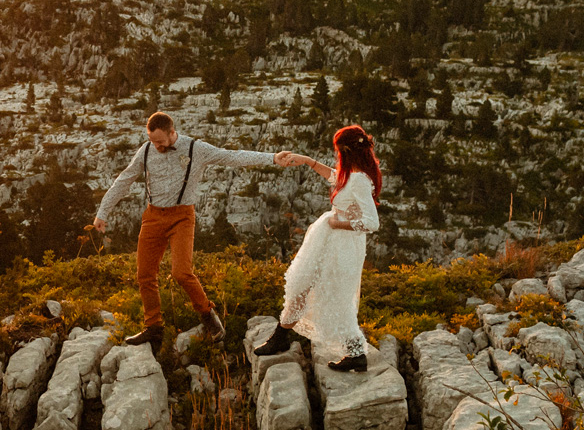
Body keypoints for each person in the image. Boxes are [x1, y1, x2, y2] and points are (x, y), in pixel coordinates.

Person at [94, 111, 285, 347]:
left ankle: (208, 315)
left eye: (160, 141)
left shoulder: (196, 149)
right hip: (153, 216)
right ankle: (153, 328)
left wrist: (272, 158)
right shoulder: (146, 151)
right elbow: (124, 180)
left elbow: (232, 157)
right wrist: (103, 212)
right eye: (152, 141)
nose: (156, 146)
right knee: (145, 275)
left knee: (181, 272)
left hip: (182, 216)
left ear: (172, 133)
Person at [267, 124, 382, 372]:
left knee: (335, 296)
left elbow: (372, 222)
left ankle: (355, 352)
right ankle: (280, 335)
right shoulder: (352, 174)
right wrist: (308, 161)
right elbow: (334, 176)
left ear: (347, 152)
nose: (337, 157)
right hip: (329, 239)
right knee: (301, 282)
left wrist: (337, 222)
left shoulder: (361, 180)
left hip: (342, 244)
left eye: (339, 152)